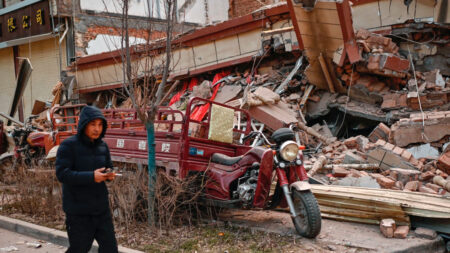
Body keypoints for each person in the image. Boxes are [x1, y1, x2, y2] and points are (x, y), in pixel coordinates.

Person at [56, 105, 118, 253]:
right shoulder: (68, 145)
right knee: (79, 249)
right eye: (93, 124)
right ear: (84, 124)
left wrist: (109, 175)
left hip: (101, 210)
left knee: (110, 249)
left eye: (100, 125)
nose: (97, 129)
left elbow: (108, 166)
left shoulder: (103, 146)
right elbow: (62, 174)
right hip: (78, 212)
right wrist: (91, 177)